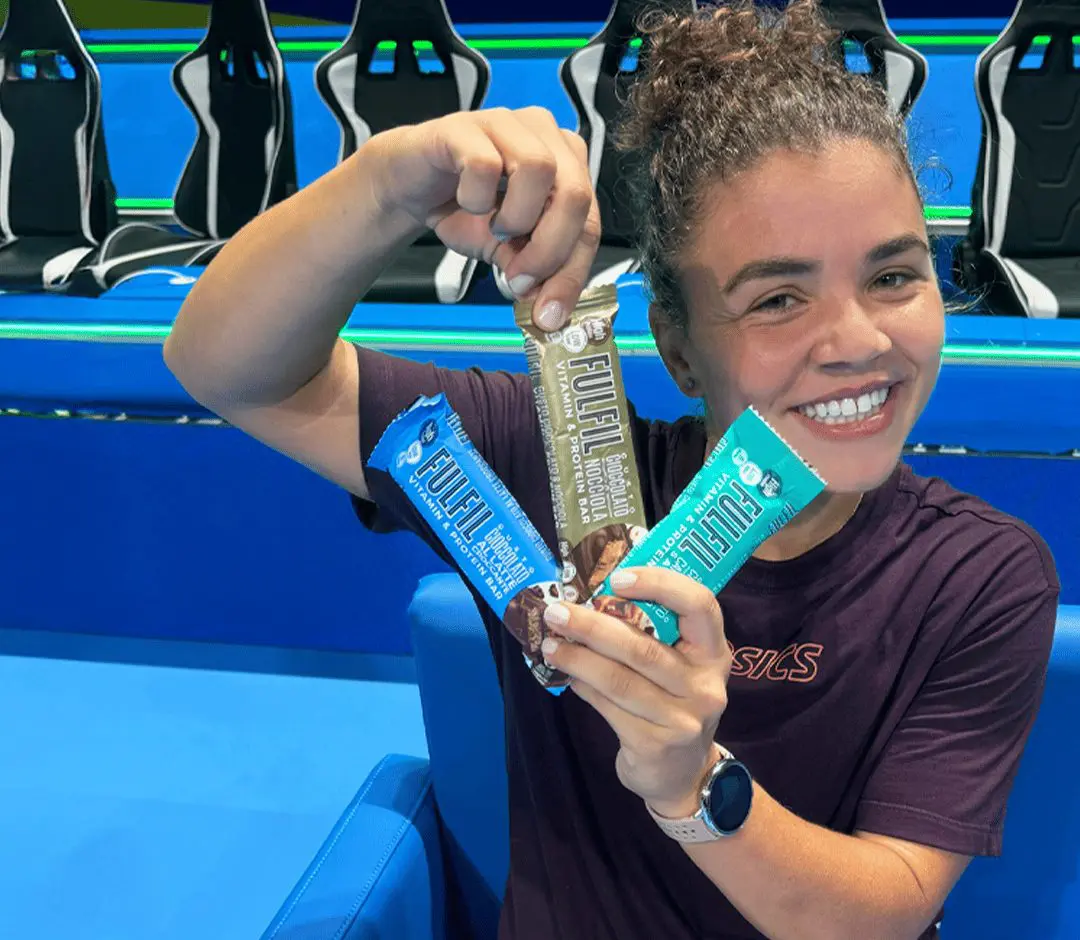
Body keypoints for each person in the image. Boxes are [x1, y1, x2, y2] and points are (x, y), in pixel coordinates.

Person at [164, 2, 1059, 937]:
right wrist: (390, 180)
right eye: (777, 299)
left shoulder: (978, 575)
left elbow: (887, 913)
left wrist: (691, 785)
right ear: (677, 348)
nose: (858, 342)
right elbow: (224, 366)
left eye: (893, 276)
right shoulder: (550, 462)